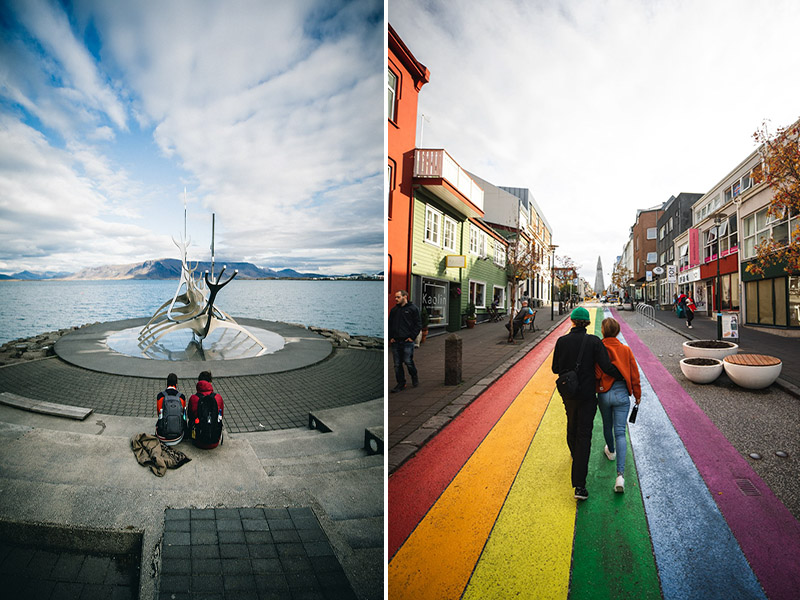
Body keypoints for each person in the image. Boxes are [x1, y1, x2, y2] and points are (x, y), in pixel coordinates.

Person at [552, 307, 623, 501]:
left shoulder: (562, 341)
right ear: (588, 323)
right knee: (584, 434)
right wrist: (623, 375)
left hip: (568, 394)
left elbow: (555, 368)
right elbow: (607, 367)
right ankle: (579, 486)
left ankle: (576, 458)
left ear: (572, 321)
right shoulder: (593, 342)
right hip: (587, 395)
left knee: (571, 425)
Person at [595, 317, 641, 493]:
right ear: (618, 331)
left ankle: (611, 452)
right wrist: (637, 394)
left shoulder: (600, 349)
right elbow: (634, 374)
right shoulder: (626, 350)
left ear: (603, 331)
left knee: (608, 426)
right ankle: (620, 476)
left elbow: (597, 372)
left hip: (604, 393)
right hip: (622, 394)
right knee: (620, 432)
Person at [389, 290, 421, 393]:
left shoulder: (413, 309)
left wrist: (412, 337)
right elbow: (390, 324)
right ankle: (401, 383)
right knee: (397, 364)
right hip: (396, 341)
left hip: (407, 341)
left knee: (408, 361)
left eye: (398, 297)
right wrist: (391, 337)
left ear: (405, 297)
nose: (396, 299)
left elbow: (418, 324)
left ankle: (414, 376)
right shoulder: (394, 310)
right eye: (395, 297)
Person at [187, 371, 224, 449]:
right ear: (210, 382)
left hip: (198, 441)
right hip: (215, 441)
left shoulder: (193, 398)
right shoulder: (218, 398)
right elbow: (221, 416)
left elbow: (189, 416)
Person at [155, 373, 187, 446]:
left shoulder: (160, 396)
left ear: (167, 383)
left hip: (162, 437)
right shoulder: (181, 397)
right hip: (178, 437)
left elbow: (159, 415)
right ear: (176, 384)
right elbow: (183, 416)